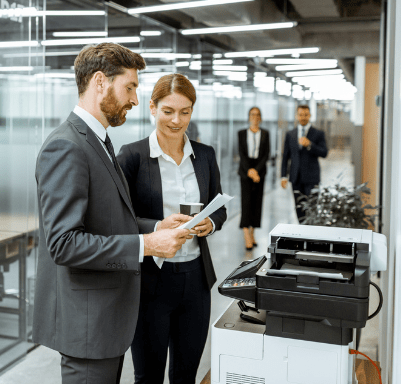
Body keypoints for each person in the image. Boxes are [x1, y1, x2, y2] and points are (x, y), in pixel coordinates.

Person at [33, 43, 191, 384]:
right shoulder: (67, 146)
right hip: (87, 327)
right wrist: (147, 244)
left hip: (106, 323)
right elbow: (64, 244)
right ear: (101, 82)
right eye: (130, 87)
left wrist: (156, 226)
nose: (135, 100)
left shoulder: (98, 140)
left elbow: (106, 218)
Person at [117, 73, 227, 384]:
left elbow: (220, 207)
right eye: (168, 111)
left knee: (186, 374)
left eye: (185, 111)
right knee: (148, 376)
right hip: (151, 282)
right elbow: (116, 218)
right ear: (152, 108)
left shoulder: (205, 156)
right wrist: (156, 226)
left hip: (195, 281)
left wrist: (211, 223)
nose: (176, 120)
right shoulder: (132, 156)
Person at [281, 104, 328, 222]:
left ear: (310, 115)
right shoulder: (290, 134)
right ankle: (301, 234)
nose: (303, 117)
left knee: (312, 209)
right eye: (301, 115)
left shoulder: (318, 133)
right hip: (296, 178)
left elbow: (324, 152)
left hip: (312, 178)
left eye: (306, 115)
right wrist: (283, 176)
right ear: (297, 116)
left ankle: (310, 235)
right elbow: (285, 157)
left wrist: (310, 145)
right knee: (299, 209)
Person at [238, 107, 270, 249]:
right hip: (245, 170)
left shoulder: (265, 133)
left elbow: (266, 154)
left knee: (257, 203)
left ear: (260, 118)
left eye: (258, 115)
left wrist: (256, 171)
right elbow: (241, 153)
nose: (255, 117)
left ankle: (253, 233)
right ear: (249, 117)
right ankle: (246, 236)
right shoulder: (241, 133)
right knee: (246, 203)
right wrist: (250, 171)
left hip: (260, 170)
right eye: (252, 114)